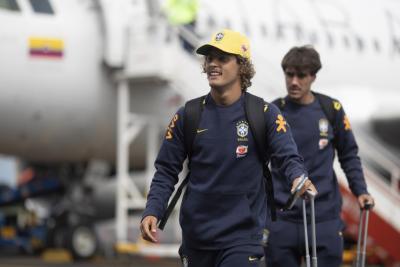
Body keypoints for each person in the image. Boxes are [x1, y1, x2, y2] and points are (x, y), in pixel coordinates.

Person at [140, 29, 316, 267]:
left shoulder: (264, 114)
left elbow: (288, 156)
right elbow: (166, 171)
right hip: (196, 240)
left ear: (241, 66)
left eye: (222, 58)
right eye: (210, 58)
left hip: (242, 239)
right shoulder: (187, 115)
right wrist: (152, 210)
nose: (213, 64)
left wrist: (298, 177)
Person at [264, 45, 375, 267]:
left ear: (313, 76)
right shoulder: (273, 112)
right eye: (289, 74)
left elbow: (349, 155)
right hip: (281, 220)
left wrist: (361, 190)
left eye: (301, 75)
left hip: (323, 219)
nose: (294, 81)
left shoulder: (331, 109)